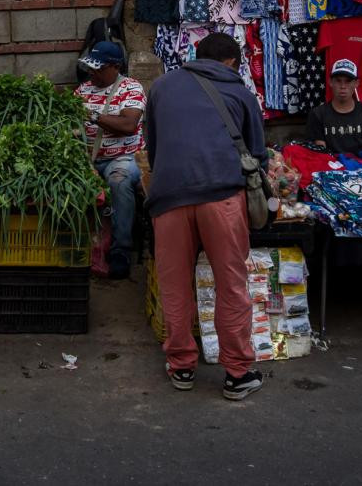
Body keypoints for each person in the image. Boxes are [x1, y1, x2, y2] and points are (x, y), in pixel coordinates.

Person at [145, 32, 266, 400]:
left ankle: (181, 365)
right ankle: (237, 373)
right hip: (222, 198)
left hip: (168, 198)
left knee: (174, 285)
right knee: (231, 284)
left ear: (197, 56)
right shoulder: (242, 93)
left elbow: (153, 146)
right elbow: (257, 155)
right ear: (231, 62)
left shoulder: (162, 87)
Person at [74, 41, 144, 280]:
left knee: (119, 181)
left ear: (115, 67)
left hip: (123, 157)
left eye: (99, 68)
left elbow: (128, 125)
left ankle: (120, 251)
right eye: (91, 68)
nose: (93, 73)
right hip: (90, 158)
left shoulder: (131, 89)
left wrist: (92, 115)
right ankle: (83, 249)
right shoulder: (83, 90)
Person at [306, 59, 362, 155]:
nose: (343, 86)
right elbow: (321, 155)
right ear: (330, 82)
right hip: (332, 167)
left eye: (348, 81)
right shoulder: (318, 114)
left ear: (356, 83)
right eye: (338, 81)